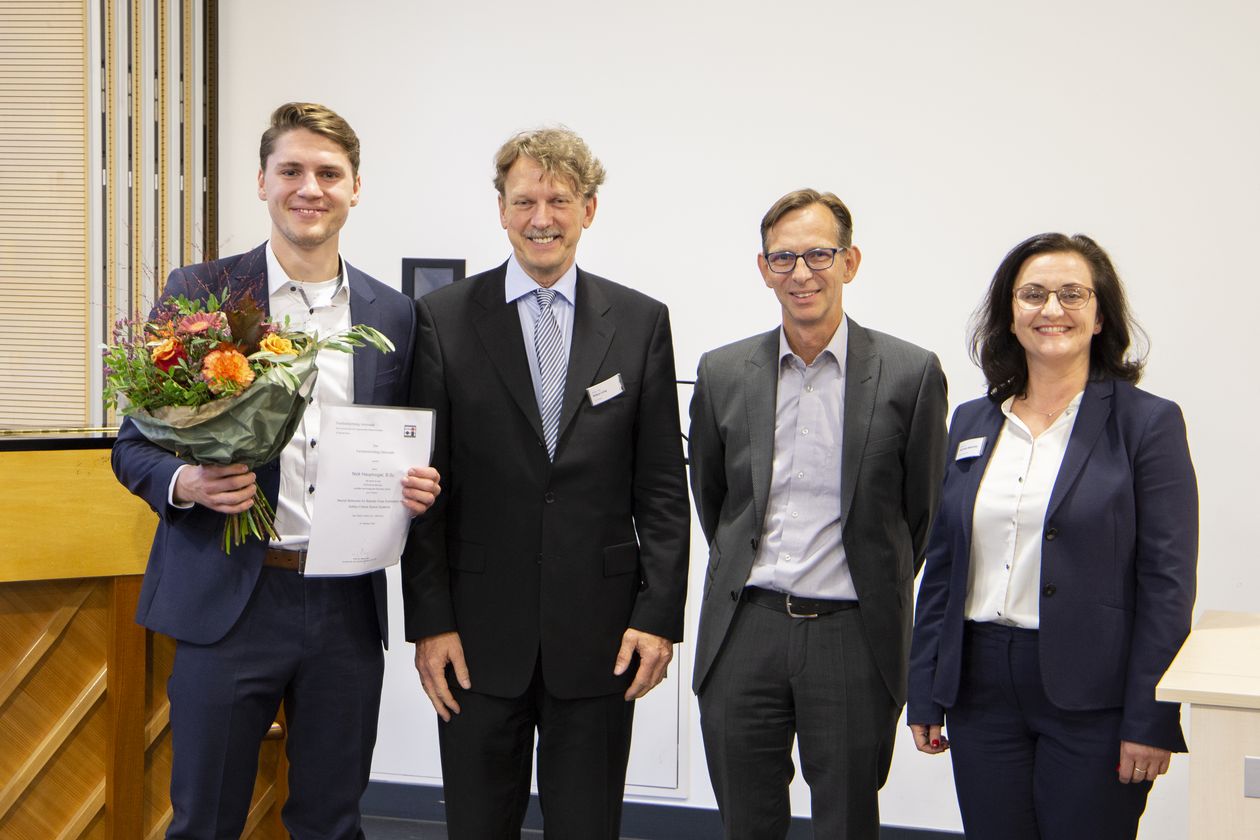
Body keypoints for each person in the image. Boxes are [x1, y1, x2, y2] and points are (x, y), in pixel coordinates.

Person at [111, 102, 441, 839]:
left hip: (347, 607)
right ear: (262, 181)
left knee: (332, 822)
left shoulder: (394, 313)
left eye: (329, 173)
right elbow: (132, 446)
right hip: (229, 597)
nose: (309, 188)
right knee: (204, 823)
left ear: (356, 188)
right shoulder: (201, 294)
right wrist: (187, 484)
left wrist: (417, 485)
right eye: (291, 170)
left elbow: (410, 442)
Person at [402, 127, 690, 839]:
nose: (542, 218)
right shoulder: (442, 320)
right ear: (501, 209)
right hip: (474, 638)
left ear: (588, 209)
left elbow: (661, 488)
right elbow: (425, 491)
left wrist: (658, 616)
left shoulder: (641, 323)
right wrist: (430, 622)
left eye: (559, 200)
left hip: (600, 636)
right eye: (525, 200)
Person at [907, 233, 1198, 839]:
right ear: (1011, 313)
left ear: (1100, 315)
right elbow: (945, 565)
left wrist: (1151, 716)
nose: (1052, 309)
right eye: (1033, 294)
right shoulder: (973, 420)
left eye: (1072, 294)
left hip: (1096, 696)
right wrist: (927, 688)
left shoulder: (1147, 423)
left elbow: (1167, 584)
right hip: (980, 687)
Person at [688, 188, 949, 838]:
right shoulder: (723, 372)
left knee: (847, 822)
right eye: (783, 257)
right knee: (747, 821)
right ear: (763, 268)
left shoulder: (909, 374)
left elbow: (920, 515)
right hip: (745, 629)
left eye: (818, 255)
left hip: (851, 634)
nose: (800, 273)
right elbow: (716, 503)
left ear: (849, 262)